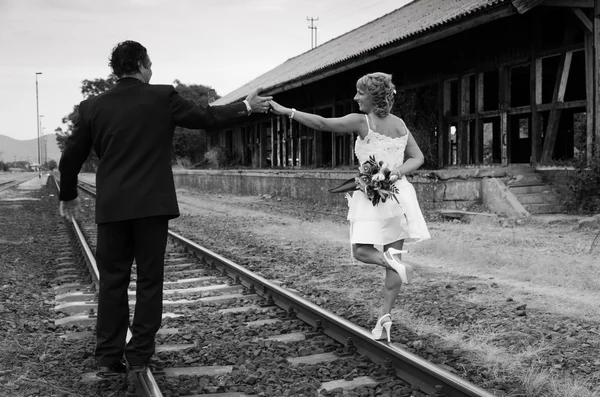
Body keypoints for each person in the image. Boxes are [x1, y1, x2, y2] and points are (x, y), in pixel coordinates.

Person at [58, 40, 272, 377]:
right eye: (150, 63)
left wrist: (68, 193)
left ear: (117, 69)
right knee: (149, 280)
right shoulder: (162, 97)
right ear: (142, 65)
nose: (152, 68)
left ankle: (108, 355)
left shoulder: (92, 106)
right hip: (152, 207)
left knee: (112, 281)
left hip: (113, 207)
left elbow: (71, 155)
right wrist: (245, 106)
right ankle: (140, 354)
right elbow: (207, 117)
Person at [268, 72, 430, 343]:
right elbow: (418, 157)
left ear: (373, 97)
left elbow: (321, 123)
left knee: (362, 251)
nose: (355, 98)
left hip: (372, 196)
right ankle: (384, 318)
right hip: (399, 196)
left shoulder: (362, 121)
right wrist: (394, 173)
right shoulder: (400, 124)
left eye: (359, 93)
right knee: (395, 256)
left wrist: (288, 111)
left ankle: (390, 268)